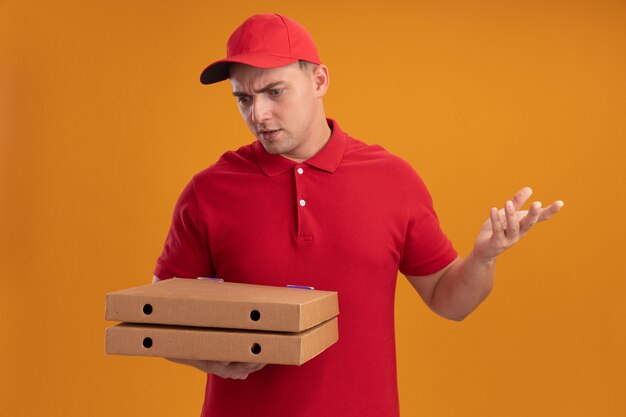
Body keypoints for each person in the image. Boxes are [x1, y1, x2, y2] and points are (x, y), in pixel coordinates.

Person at [152, 13, 563, 417]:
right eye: (244, 98)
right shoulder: (209, 191)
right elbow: (157, 318)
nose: (257, 114)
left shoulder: (392, 179)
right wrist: (206, 359)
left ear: (319, 81)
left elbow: (448, 299)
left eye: (274, 92)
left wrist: (483, 258)